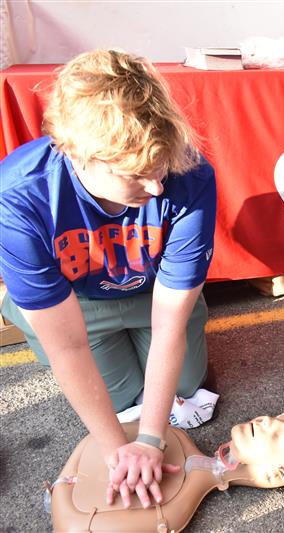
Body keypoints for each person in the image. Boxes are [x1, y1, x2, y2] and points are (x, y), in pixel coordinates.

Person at [0, 50, 216, 509]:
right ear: (78, 152)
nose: (158, 187)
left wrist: (152, 438)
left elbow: (169, 323)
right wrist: (117, 447)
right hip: (77, 306)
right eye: (137, 173)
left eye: (160, 167)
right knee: (117, 405)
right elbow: (67, 347)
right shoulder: (18, 198)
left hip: (151, 292)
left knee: (184, 386)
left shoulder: (189, 172)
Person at [49, 413, 284, 532]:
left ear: (276, 476)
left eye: (279, 433)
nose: (267, 420)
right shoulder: (175, 436)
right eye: (278, 417)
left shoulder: (177, 442)